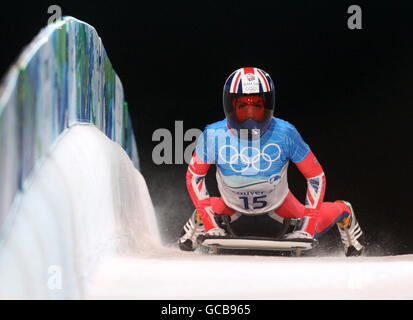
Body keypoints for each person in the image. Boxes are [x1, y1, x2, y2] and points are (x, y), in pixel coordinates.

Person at [179, 67, 365, 256]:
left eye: (257, 107)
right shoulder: (213, 134)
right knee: (209, 209)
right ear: (230, 106)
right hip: (231, 208)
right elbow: (194, 176)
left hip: (280, 208)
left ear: (268, 105)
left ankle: (344, 209)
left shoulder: (286, 133)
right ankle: (202, 216)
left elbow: (316, 176)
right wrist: (210, 222)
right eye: (243, 107)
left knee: (314, 224)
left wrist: (307, 226)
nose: (250, 115)